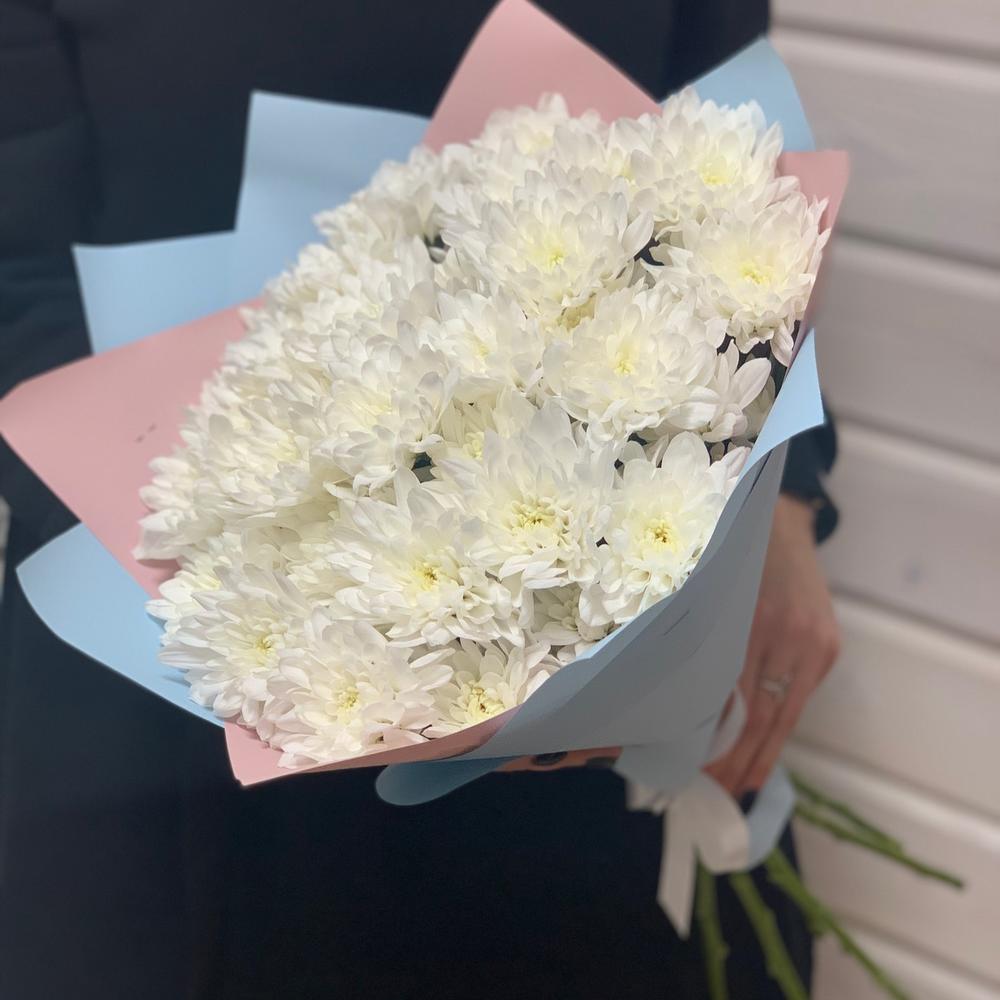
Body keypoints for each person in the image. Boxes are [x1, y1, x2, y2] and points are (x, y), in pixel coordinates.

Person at [0, 1, 838, 996]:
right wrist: (237, 550)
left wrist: (784, 497)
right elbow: (17, 272)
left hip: (627, 581)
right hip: (188, 645)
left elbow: (736, 152)